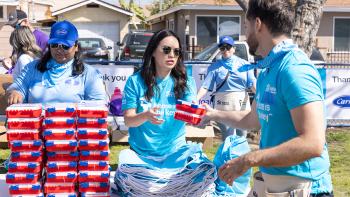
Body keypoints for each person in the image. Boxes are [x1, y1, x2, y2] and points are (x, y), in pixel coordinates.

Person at [200, 0, 333, 196]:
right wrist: (213, 114)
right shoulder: (268, 69)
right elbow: (251, 119)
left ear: (258, 24)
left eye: (246, 25)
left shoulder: (294, 69)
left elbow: (312, 143)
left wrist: (249, 159)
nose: (245, 35)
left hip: (306, 189)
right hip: (273, 187)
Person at [114, 29, 216, 196]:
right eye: (166, 50)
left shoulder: (186, 81)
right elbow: (129, 121)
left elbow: (190, 110)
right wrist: (146, 115)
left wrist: (197, 115)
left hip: (176, 153)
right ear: (153, 51)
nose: (172, 55)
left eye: (176, 52)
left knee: (203, 179)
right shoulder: (136, 81)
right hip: (141, 156)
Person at [6, 20, 106, 104]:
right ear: (49, 45)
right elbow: (16, 88)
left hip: (73, 126)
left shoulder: (89, 74)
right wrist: (15, 93)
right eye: (54, 45)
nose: (59, 49)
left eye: (65, 46)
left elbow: (98, 104)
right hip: (38, 126)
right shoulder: (32, 68)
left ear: (76, 47)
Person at [197, 35, 256, 140]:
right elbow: (205, 87)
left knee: (241, 136)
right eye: (222, 48)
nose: (225, 50)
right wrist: (196, 99)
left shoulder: (245, 64)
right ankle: (227, 156)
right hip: (222, 105)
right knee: (227, 136)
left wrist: (262, 98)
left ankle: (241, 156)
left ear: (233, 48)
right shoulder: (214, 67)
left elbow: (252, 84)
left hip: (241, 104)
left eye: (228, 47)